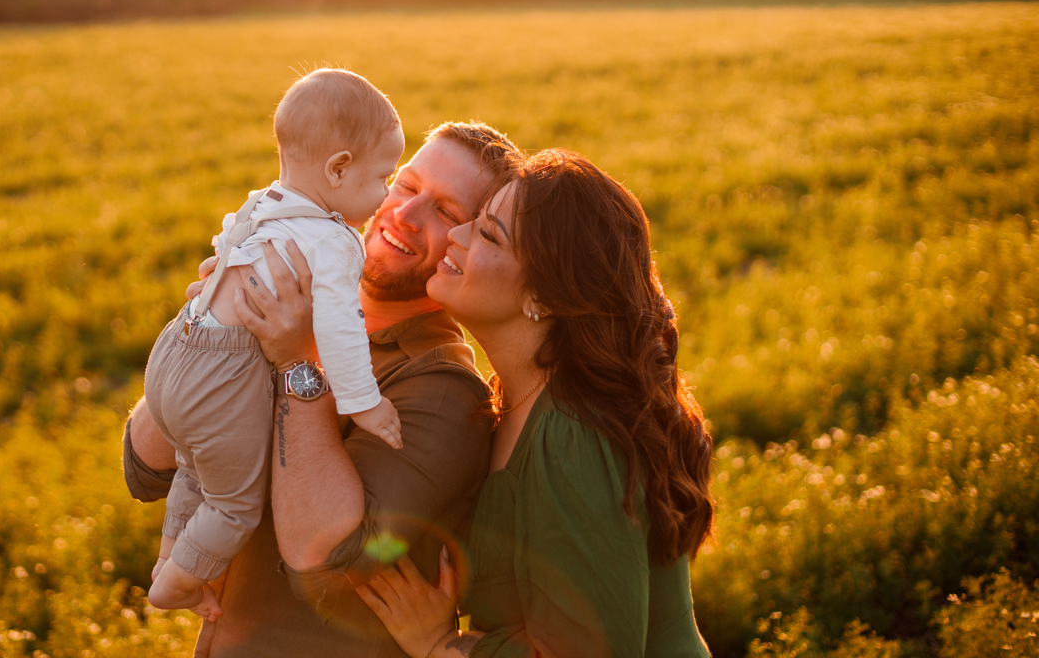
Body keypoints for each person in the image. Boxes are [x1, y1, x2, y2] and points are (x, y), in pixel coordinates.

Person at [122, 122, 524, 657]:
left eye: (446, 212)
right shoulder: (290, 296)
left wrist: (297, 360)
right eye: (405, 185)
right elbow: (144, 467)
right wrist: (214, 322)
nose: (405, 214)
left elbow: (327, 563)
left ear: (466, 246)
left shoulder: (443, 390)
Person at [355, 150, 715, 657]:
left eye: (488, 234)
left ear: (544, 297)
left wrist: (441, 645)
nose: (457, 236)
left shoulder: (571, 437)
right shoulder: (513, 400)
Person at [142, 68, 406, 620]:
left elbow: (224, 257)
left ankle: (170, 560)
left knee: (195, 467)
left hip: (176, 349)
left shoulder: (263, 204)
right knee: (233, 503)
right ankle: (175, 587)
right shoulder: (336, 240)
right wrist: (364, 402)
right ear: (338, 168)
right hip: (224, 373)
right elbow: (339, 329)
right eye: (383, 177)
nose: (387, 194)